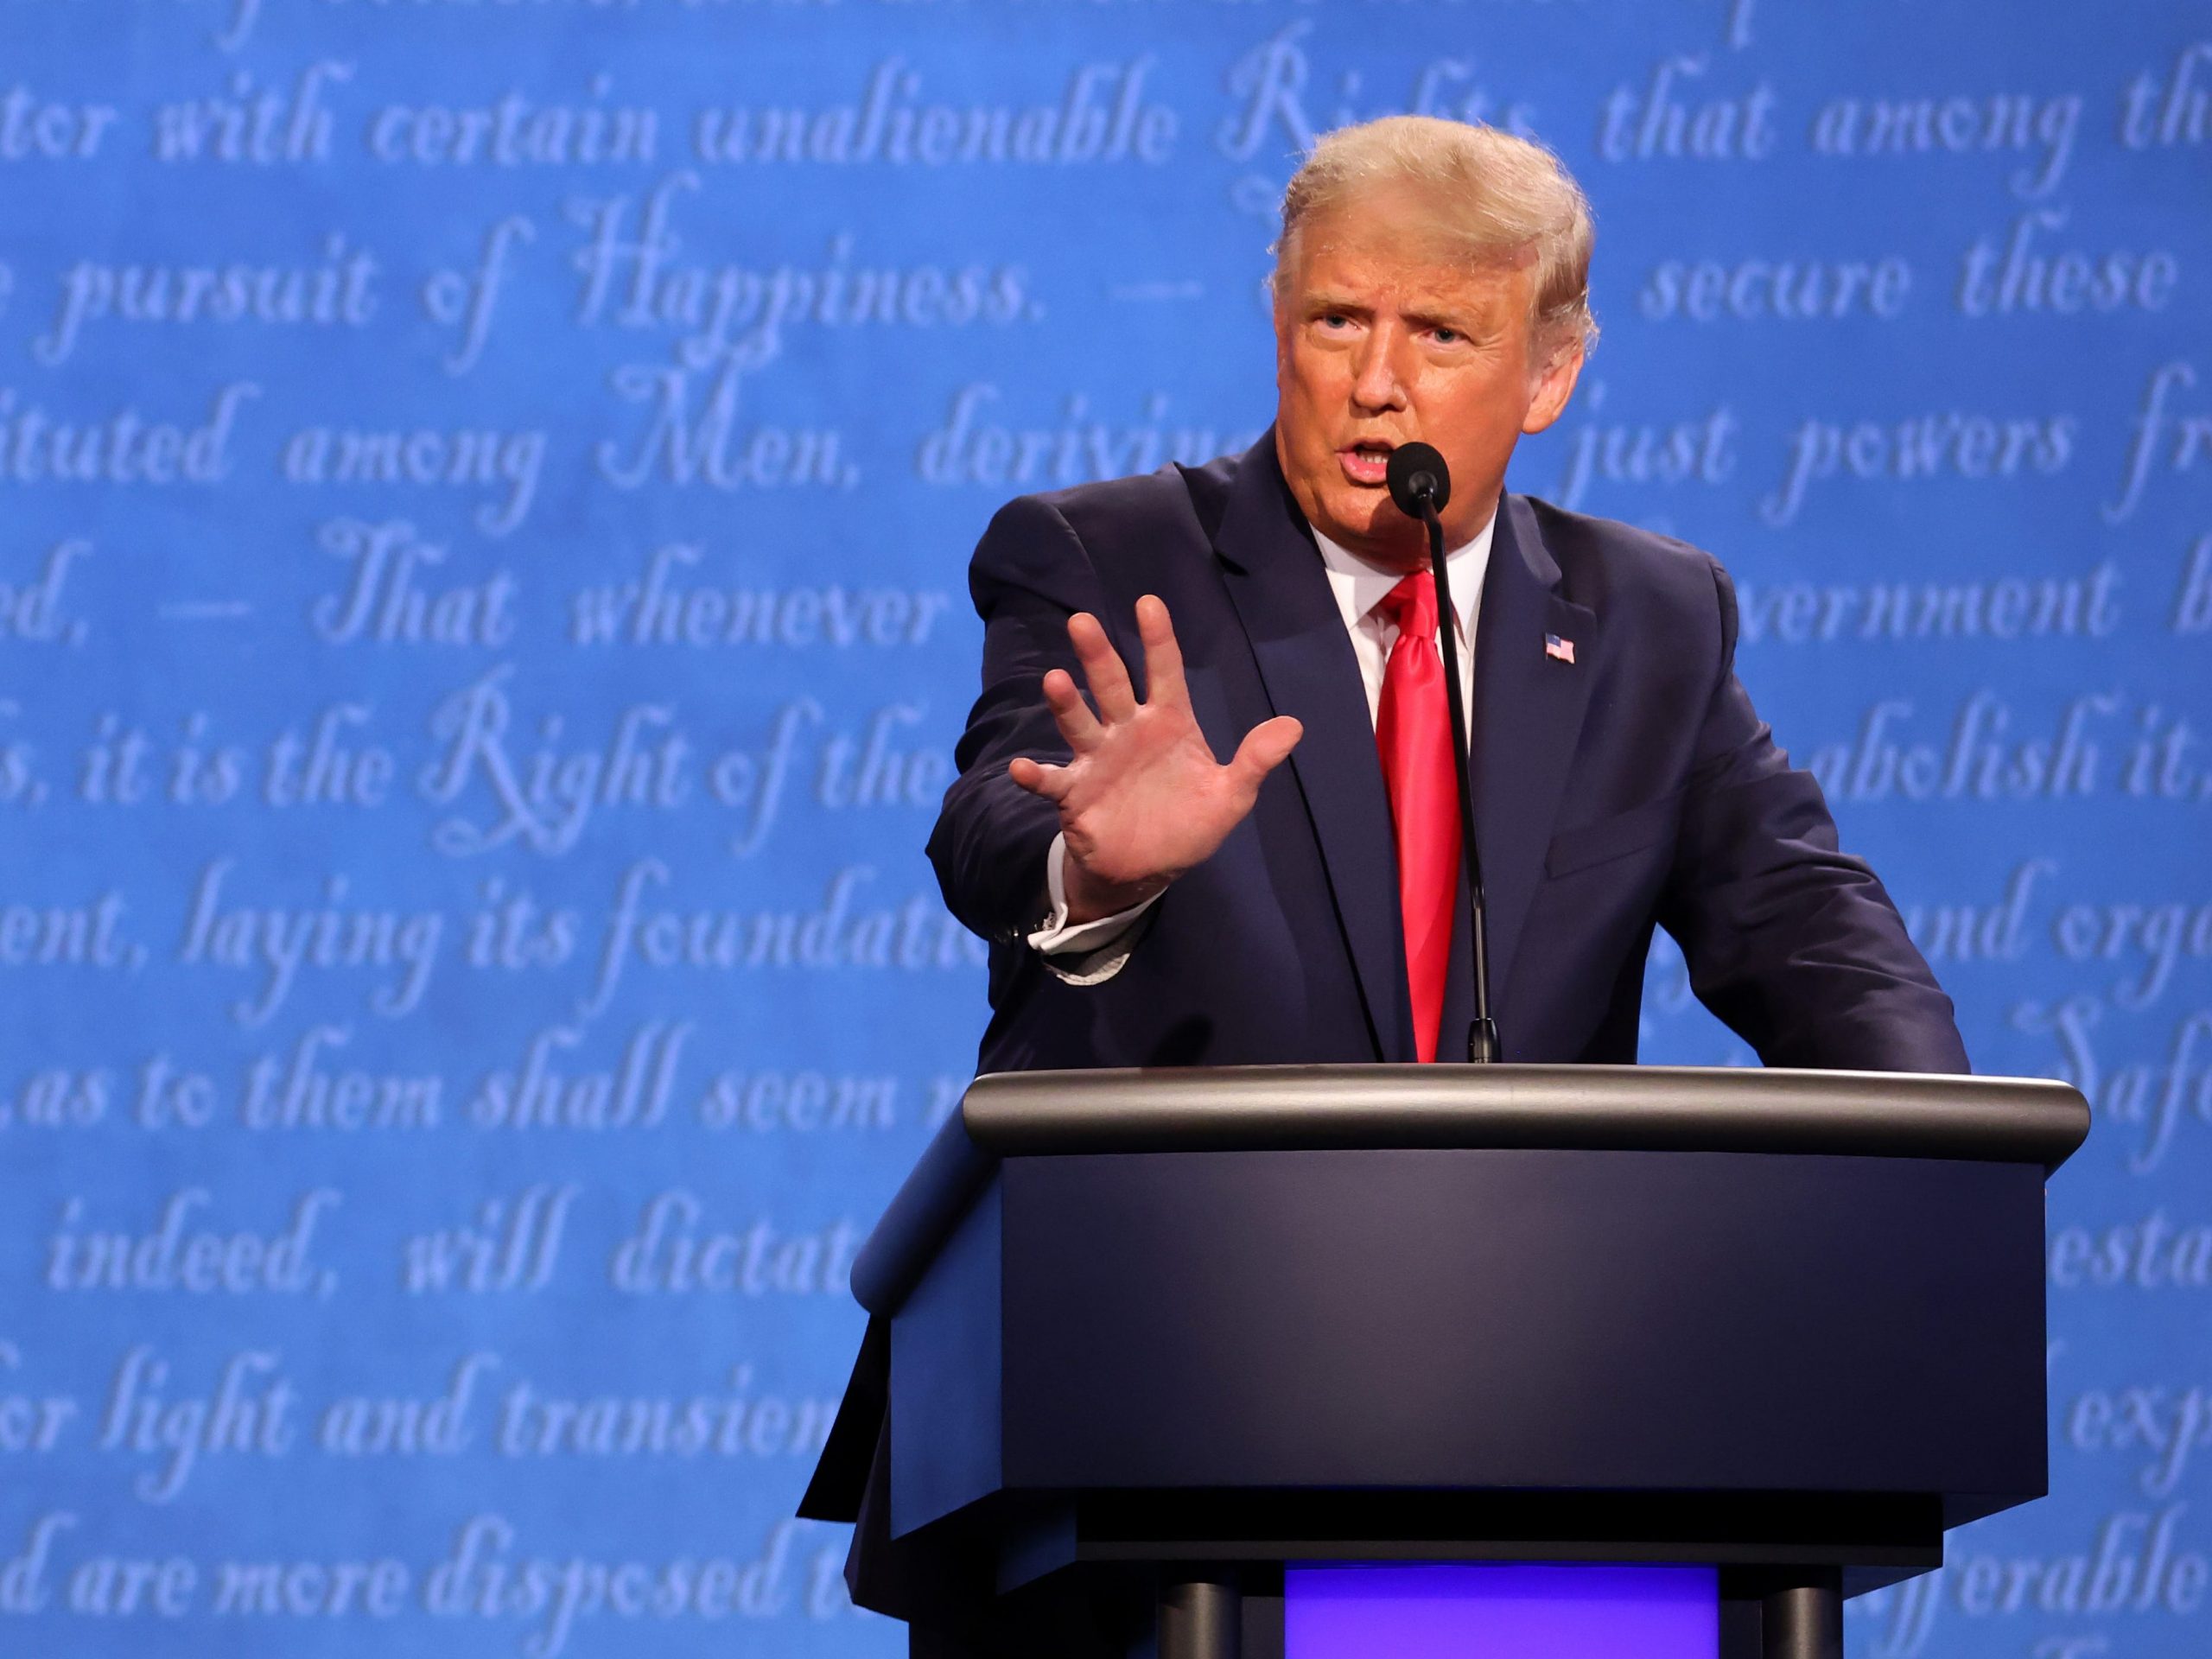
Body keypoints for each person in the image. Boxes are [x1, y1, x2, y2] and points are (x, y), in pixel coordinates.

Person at [926, 115, 1968, 1075]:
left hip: (1523, 1261)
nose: (1374, 382)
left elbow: (1800, 921)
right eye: (1336, 320)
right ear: (1281, 328)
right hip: (1172, 1246)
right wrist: (1094, 872)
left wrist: (1940, 1143)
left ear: (1548, 377)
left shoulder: (1651, 617)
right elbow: (990, 828)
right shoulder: (1114, 559)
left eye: (1439, 334)